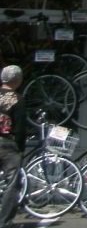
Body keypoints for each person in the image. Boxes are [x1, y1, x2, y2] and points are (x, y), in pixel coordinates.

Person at [0, 64, 25, 228]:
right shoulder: (17, 99)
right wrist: (21, 148)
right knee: (12, 183)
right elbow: (21, 126)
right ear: (17, 80)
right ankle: (4, 221)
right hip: (8, 144)